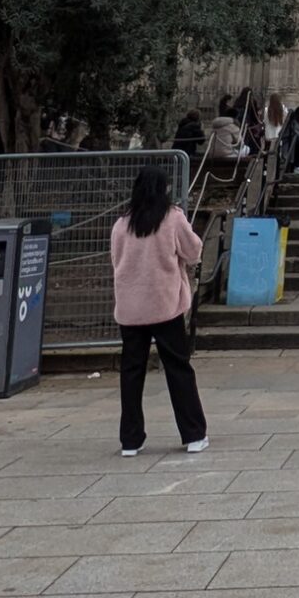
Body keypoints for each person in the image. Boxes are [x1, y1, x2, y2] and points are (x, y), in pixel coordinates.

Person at [109, 164, 207, 457]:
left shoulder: (122, 224)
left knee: (131, 372)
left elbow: (116, 260)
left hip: (130, 308)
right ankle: (193, 434)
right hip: (164, 304)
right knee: (178, 369)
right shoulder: (172, 218)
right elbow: (193, 251)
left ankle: (130, 439)